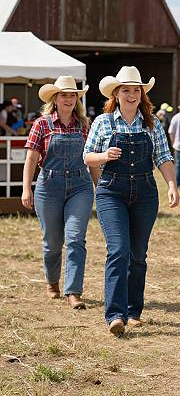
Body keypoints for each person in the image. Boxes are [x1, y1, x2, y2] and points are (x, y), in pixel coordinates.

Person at [83, 66, 179, 336]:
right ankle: (115, 314)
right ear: (116, 93)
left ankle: (134, 311)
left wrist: (171, 184)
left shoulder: (151, 124)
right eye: (126, 89)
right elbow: (87, 156)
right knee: (118, 250)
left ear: (142, 94)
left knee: (138, 255)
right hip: (111, 191)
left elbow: (163, 157)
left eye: (136, 90)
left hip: (146, 192)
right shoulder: (103, 123)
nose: (132, 94)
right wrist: (104, 157)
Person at [21, 76, 93, 310]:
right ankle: (52, 282)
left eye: (73, 95)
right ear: (55, 98)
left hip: (80, 186)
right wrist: (26, 189)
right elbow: (31, 158)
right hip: (48, 186)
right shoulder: (42, 124)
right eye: (64, 94)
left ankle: (73, 292)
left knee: (75, 239)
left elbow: (90, 159)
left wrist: (99, 186)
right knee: (52, 242)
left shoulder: (84, 124)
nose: (69, 99)